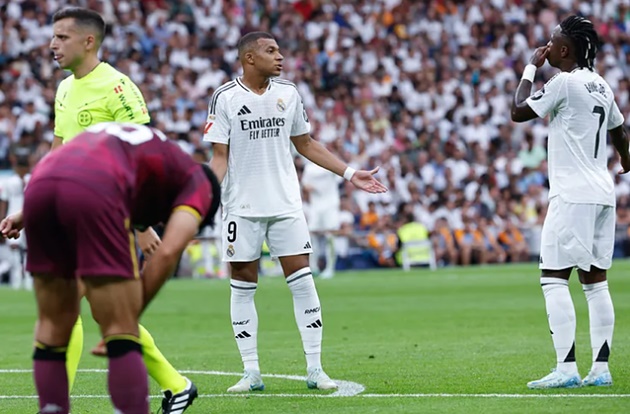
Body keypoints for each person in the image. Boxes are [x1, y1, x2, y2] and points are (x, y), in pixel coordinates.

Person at [205, 31, 387, 392]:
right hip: (241, 207)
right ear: (249, 58)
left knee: (303, 282)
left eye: (279, 50)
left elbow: (305, 143)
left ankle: (315, 369)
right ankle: (251, 372)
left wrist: (350, 173)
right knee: (243, 286)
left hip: (285, 204)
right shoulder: (224, 97)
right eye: (271, 51)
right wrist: (203, 198)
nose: (280, 57)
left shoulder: (288, 93)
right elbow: (219, 157)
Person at [0, 122, 220, 414]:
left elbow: (73, 169)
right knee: (121, 329)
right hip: (97, 190)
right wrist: (130, 314)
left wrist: (24, 215)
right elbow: (168, 252)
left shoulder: (153, 158)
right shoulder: (199, 185)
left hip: (41, 186)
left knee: (53, 324)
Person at [47, 7, 197, 412]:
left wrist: (142, 225)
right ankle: (177, 385)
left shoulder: (117, 88)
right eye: (53, 37)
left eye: (62, 37)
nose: (53, 45)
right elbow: (58, 148)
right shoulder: (65, 88)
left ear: (88, 41)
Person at [511, 15, 630, 389]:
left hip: (571, 195)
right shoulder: (601, 85)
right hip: (603, 193)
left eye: (552, 40)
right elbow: (620, 131)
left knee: (553, 278)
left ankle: (565, 369)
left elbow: (518, 110)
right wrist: (626, 160)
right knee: (595, 283)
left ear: (564, 50)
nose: (547, 45)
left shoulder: (563, 82)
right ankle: (601, 369)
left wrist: (531, 67)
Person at [301, 160, 343, 278]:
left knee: (330, 236)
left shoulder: (330, 163)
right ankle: (313, 267)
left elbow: (340, 178)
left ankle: (330, 268)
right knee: (312, 236)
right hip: (316, 206)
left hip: (330, 205)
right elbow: (305, 184)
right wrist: (311, 188)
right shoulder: (309, 168)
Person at [0, 146, 32, 290]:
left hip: (28, 217)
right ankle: (16, 283)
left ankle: (28, 283)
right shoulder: (9, 181)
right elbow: (4, 202)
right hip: (13, 216)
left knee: (28, 251)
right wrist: (2, 219)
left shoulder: (30, 179)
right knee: (14, 251)